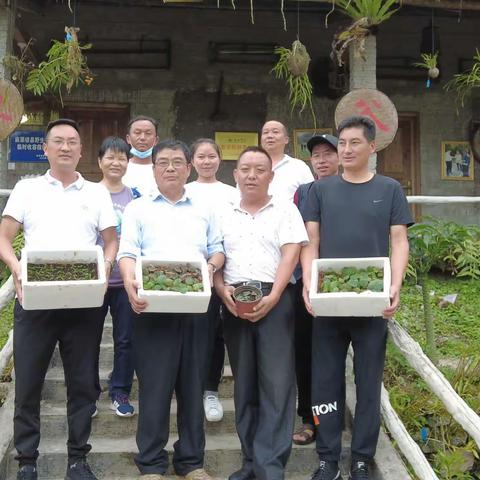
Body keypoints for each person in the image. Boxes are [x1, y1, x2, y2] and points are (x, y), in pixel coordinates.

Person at [0, 119, 118, 480]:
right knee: (29, 383)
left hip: (83, 302)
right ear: (47, 149)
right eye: (58, 142)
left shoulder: (97, 193)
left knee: (82, 384)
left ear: (82, 151)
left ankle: (78, 460)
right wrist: (16, 266)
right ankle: (27, 462)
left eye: (72, 142)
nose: (66, 147)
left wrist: (106, 266)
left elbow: (111, 240)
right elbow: (4, 238)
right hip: (34, 298)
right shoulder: (27, 189)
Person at [301, 116, 413, 480]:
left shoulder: (390, 188)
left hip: (372, 304)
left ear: (372, 147)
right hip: (328, 303)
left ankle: (362, 458)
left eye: (353, 143)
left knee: (368, 381)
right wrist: (308, 284)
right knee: (325, 380)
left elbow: (398, 240)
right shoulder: (320, 191)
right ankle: (327, 458)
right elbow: (311, 241)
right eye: (342, 144)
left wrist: (395, 284)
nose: (346, 150)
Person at [117, 139, 225, 480]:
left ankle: (191, 462)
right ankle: (151, 463)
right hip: (152, 306)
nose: (170, 168)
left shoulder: (204, 208)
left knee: (193, 385)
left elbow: (217, 249)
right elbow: (127, 253)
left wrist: (211, 267)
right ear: (153, 169)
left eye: (177, 162)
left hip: (196, 307)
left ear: (188, 167)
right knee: (155, 386)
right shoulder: (138, 208)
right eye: (163, 162)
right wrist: (131, 283)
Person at [214, 146, 308, 480]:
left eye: (259, 169)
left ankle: (271, 466)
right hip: (233, 297)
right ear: (235, 175)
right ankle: (250, 461)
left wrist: (277, 294)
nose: (251, 175)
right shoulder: (222, 212)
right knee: (245, 383)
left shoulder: (285, 210)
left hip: (275, 297)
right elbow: (215, 254)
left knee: (277, 382)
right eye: (245, 169)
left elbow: (291, 253)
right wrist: (220, 288)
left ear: (271, 176)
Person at [292, 134, 340, 447]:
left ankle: (332, 420)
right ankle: (310, 419)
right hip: (307, 284)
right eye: (316, 155)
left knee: (334, 356)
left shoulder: (351, 190)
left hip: (341, 286)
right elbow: (297, 236)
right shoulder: (303, 192)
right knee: (305, 354)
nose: (321, 160)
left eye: (327, 154)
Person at [186, 138, 238, 423]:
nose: (206, 162)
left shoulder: (232, 192)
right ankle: (190, 388)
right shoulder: (185, 191)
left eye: (211, 156)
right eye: (201, 157)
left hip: (228, 269)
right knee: (196, 331)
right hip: (192, 273)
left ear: (220, 160)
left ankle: (210, 390)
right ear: (192, 162)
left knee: (218, 333)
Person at [97, 136, 140, 418]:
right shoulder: (87, 193)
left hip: (126, 281)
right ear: (100, 161)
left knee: (127, 339)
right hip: (93, 280)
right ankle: (87, 393)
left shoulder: (136, 197)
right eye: (110, 157)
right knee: (87, 339)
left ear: (128, 162)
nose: (116, 162)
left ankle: (120, 390)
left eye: (122, 158)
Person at [260, 120, 314, 201]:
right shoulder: (251, 166)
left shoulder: (299, 167)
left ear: (286, 140)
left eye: (275, 132)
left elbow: (311, 199)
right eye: (265, 132)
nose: (269, 136)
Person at [123, 115, 159, 196]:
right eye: (137, 133)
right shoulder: (120, 167)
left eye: (148, 133)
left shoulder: (163, 168)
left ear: (156, 140)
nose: (142, 138)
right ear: (128, 139)